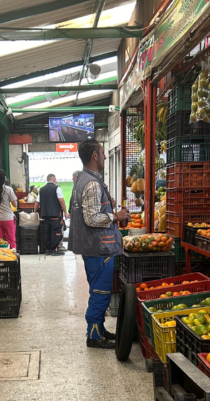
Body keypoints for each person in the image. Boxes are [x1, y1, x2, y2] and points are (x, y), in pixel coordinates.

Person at [69, 139, 128, 349]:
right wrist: (115, 216)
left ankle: (100, 329)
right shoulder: (92, 183)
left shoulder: (82, 179)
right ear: (94, 155)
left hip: (92, 247)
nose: (104, 156)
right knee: (100, 292)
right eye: (103, 153)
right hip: (99, 247)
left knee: (98, 289)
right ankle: (93, 335)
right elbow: (92, 218)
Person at [37, 174, 68, 255]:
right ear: (54, 179)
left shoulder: (41, 189)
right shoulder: (57, 188)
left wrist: (34, 212)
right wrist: (65, 212)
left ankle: (48, 250)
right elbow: (61, 201)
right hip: (55, 215)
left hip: (45, 216)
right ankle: (55, 249)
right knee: (56, 232)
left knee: (47, 232)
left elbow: (37, 202)